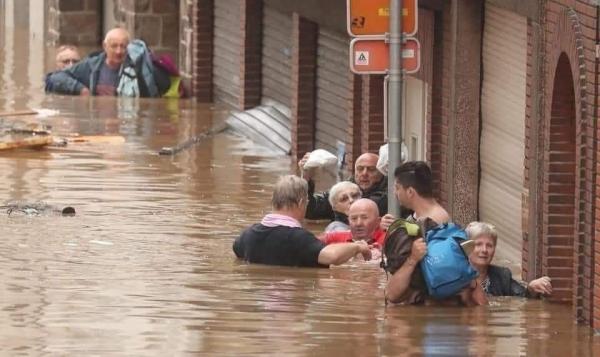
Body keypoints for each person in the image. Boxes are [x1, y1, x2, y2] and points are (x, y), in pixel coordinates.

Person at [384, 161, 485, 306]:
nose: (395, 193)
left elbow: (442, 273)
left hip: (434, 308)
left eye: (397, 188)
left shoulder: (436, 221)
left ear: (410, 192)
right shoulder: (417, 216)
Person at [233, 175, 372, 267]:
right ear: (300, 203)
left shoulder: (247, 235)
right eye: (306, 202)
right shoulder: (298, 237)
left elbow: (237, 253)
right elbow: (332, 256)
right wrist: (358, 247)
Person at [45, 28, 168, 97]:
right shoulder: (92, 65)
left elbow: (164, 86)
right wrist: (81, 89)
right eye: (114, 46)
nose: (118, 51)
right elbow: (54, 78)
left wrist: (146, 61)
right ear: (105, 46)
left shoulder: (138, 67)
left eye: (123, 46)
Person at [466, 221, 553, 297]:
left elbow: (523, 298)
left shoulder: (502, 276)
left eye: (489, 245)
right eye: (478, 245)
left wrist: (531, 289)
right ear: (467, 247)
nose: (484, 250)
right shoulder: (456, 277)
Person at [299, 152, 388, 221]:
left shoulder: (391, 194)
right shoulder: (344, 188)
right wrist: (306, 179)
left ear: (382, 172)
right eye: (360, 169)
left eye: (371, 170)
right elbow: (309, 209)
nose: (364, 174)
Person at [320, 199, 386, 248]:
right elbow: (311, 245)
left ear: (378, 221)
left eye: (364, 218)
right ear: (348, 221)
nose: (358, 223)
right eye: (354, 218)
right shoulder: (334, 238)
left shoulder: (388, 239)